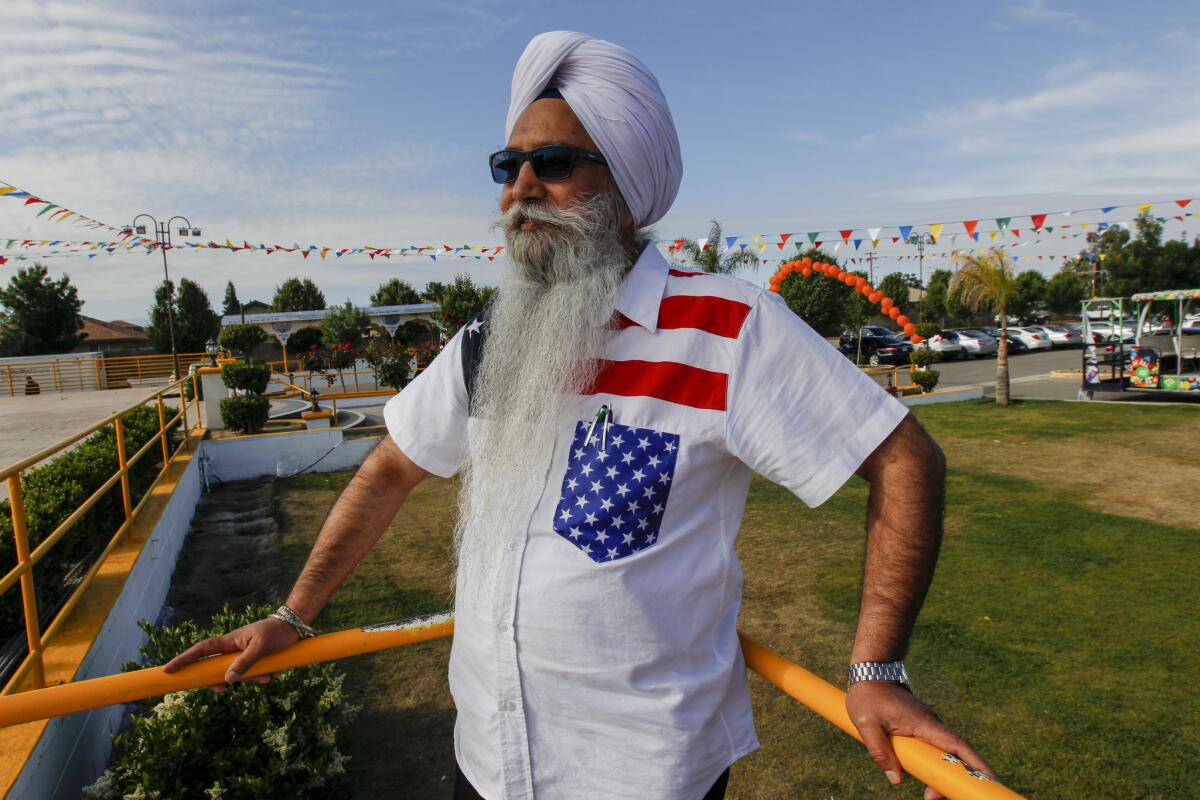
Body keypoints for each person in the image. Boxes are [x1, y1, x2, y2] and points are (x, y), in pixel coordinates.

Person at [165, 31, 995, 800]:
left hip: (642, 774)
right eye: (508, 165)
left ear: (625, 191)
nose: (521, 189)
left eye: (554, 163)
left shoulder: (726, 329)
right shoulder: (491, 337)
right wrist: (292, 615)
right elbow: (390, 467)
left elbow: (904, 458)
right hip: (488, 761)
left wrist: (875, 669)